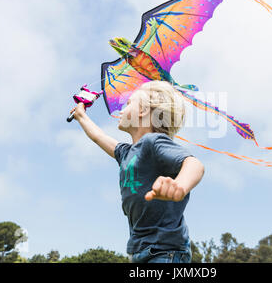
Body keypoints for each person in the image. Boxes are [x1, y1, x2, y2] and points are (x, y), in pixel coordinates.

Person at [71, 80, 205, 263]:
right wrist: (81, 116)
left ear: (142, 111)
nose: (121, 110)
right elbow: (98, 136)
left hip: (165, 252)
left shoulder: (153, 142)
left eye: (128, 104)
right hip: (140, 251)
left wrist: (180, 186)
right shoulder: (127, 153)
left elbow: (194, 164)